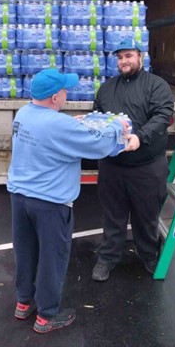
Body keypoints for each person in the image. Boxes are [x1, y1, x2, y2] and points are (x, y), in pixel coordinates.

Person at [7, 68, 129, 333]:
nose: (67, 93)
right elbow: (98, 145)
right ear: (54, 97)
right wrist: (118, 126)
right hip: (50, 203)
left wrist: (74, 122)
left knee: (26, 252)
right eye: (64, 90)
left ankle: (23, 302)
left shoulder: (24, 113)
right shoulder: (59, 125)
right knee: (53, 257)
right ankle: (47, 315)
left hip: (20, 197)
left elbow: (49, 131)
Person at [92, 37, 174, 281]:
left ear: (140, 56)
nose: (123, 61)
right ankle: (107, 258)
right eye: (119, 57)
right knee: (112, 215)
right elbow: (99, 118)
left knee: (146, 216)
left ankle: (148, 255)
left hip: (147, 166)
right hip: (113, 166)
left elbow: (162, 115)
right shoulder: (107, 88)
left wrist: (140, 137)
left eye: (128, 55)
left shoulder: (157, 86)